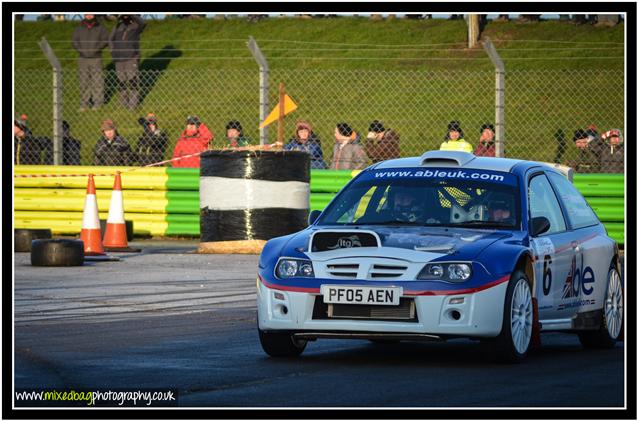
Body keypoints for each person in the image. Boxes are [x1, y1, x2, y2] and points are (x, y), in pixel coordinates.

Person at [72, 14, 109, 111]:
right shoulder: (79, 28)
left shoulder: (101, 28)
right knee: (83, 82)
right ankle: (84, 104)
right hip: (82, 59)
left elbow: (105, 40)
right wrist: (81, 50)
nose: (88, 15)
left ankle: (97, 103)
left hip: (96, 58)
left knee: (97, 82)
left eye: (91, 13)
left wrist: (96, 49)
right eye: (86, 13)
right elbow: (74, 41)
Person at [109, 15, 145, 109]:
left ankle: (133, 105)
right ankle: (122, 104)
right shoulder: (118, 25)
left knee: (133, 81)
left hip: (131, 57)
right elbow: (110, 39)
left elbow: (143, 23)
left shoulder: (136, 25)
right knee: (121, 82)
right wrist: (113, 51)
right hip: (118, 59)